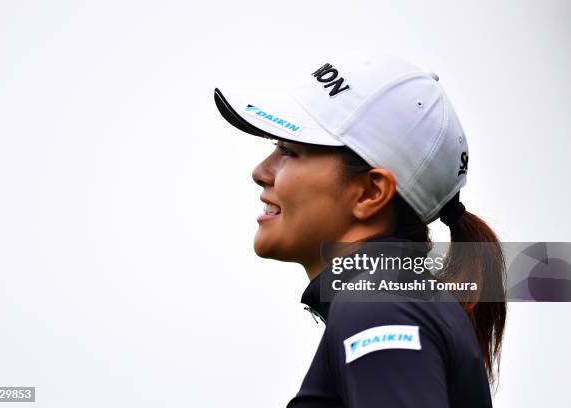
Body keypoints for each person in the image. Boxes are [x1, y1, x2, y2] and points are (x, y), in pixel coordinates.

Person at [213, 52, 506, 408]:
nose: (260, 171)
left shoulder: (379, 306)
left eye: (288, 150)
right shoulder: (391, 299)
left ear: (370, 193)